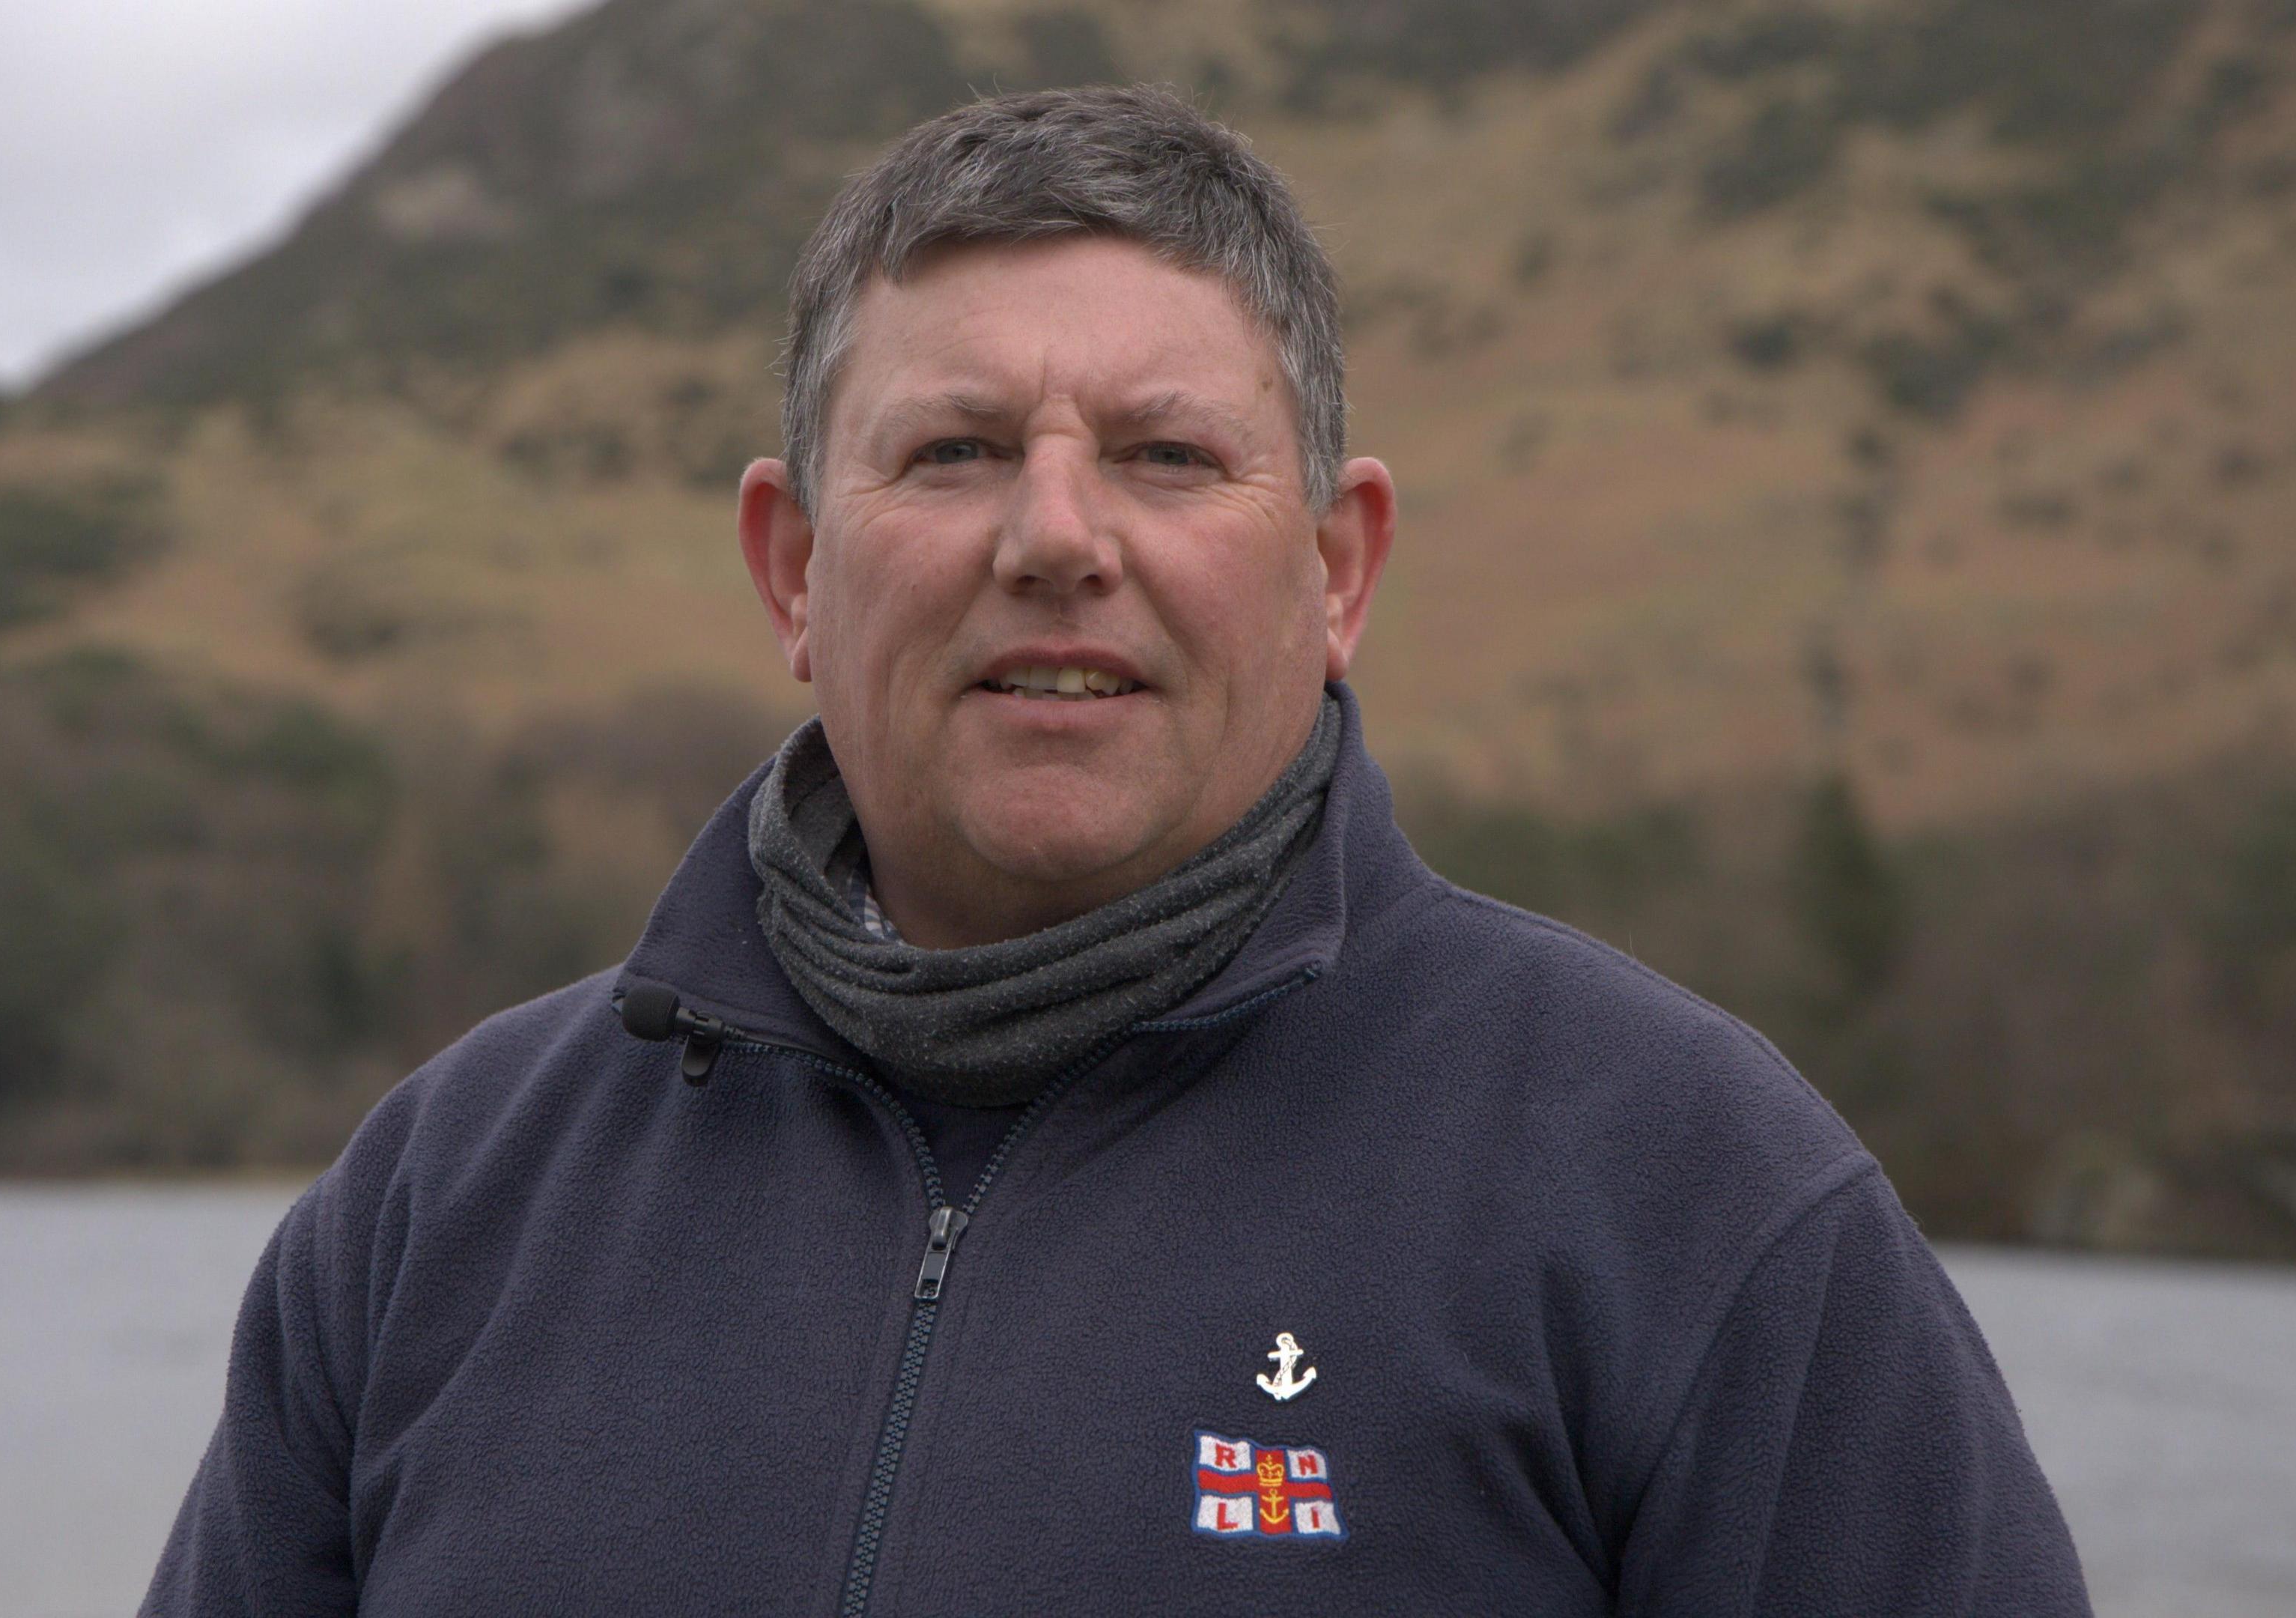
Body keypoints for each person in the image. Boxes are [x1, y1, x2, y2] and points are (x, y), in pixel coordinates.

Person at [146, 85, 2089, 1616]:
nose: (1057, 537)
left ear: (1336, 568)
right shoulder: (440, 1205)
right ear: (795, 570)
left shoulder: (1696, 1202)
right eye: (956, 451)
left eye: (1165, 455)